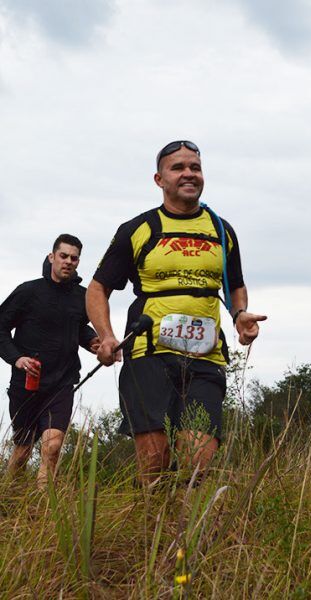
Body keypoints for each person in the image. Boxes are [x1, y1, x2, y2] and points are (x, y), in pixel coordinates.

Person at [86, 140, 266, 485]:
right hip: (149, 354)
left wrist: (239, 314)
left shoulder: (221, 230)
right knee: (155, 458)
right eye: (178, 168)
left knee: (199, 457)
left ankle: (187, 536)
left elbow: (235, 284)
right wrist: (107, 336)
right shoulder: (138, 229)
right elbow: (97, 289)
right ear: (159, 180)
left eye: (195, 167)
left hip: (205, 357)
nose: (188, 174)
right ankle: (150, 530)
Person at [0, 234, 100, 485]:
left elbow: (78, 327)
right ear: (52, 257)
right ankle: (10, 499)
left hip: (61, 383)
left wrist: (93, 342)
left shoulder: (82, 297)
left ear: (78, 262)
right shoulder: (28, 291)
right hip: (27, 383)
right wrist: (17, 358)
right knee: (22, 451)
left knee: (52, 447)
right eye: (63, 256)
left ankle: (44, 509)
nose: (68, 261)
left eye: (74, 258)